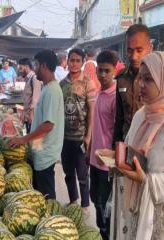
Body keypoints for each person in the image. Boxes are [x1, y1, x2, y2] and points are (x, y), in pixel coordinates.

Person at [98, 51, 164, 240]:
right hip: (137, 211)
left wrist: (147, 180)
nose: (140, 84)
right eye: (140, 78)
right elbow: (133, 155)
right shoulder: (142, 115)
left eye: (149, 79)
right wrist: (116, 159)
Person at [9, 50, 64, 199]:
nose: (34, 68)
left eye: (36, 64)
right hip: (40, 151)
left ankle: (49, 221)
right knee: (40, 194)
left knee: (46, 197)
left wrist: (23, 139)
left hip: (46, 154)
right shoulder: (47, 87)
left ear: (44, 66)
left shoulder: (52, 91)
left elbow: (48, 125)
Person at [60, 48, 96, 211]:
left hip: (81, 136)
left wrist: (89, 135)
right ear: (67, 61)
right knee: (68, 173)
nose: (74, 64)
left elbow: (92, 110)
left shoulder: (88, 83)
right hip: (65, 138)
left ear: (82, 63)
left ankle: (85, 205)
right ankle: (73, 200)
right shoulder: (62, 84)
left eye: (77, 61)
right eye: (71, 60)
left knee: (82, 174)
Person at [89, 50, 118, 240]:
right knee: (96, 200)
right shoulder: (99, 93)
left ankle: (106, 235)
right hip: (94, 160)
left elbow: (117, 133)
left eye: (107, 71)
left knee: (104, 205)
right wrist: (89, 150)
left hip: (107, 164)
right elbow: (96, 125)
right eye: (100, 70)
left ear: (115, 70)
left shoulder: (116, 97)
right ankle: (102, 233)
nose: (103, 75)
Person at [113, 24, 153, 144]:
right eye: (129, 50)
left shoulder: (160, 78)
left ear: (150, 47)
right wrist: (116, 147)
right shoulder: (121, 78)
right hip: (127, 142)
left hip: (150, 146)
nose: (134, 56)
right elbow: (119, 118)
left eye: (139, 50)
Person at [18, 58, 42, 133]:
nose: (19, 71)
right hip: (27, 117)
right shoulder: (28, 79)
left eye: (21, 68)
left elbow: (36, 98)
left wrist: (31, 115)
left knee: (33, 140)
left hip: (32, 118)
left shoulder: (34, 78)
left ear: (26, 66)